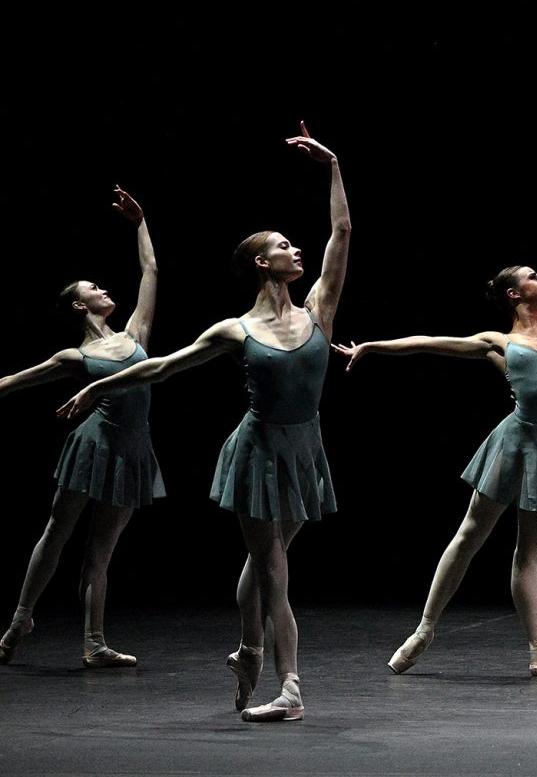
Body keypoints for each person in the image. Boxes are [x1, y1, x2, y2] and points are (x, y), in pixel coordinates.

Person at [58, 125, 351, 723]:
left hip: (304, 449)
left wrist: (333, 166)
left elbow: (342, 231)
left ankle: (248, 652)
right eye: (285, 245)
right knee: (274, 569)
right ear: (262, 263)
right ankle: (290, 687)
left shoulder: (319, 308)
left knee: (263, 562)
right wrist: (97, 384)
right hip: (258, 452)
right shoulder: (235, 330)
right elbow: (163, 366)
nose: (297, 250)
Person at [335, 164, 537, 676]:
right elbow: (431, 342)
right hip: (515, 443)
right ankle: (424, 628)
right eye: (534, 277)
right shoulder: (500, 342)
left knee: (529, 556)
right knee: (470, 534)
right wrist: (372, 346)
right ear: (515, 294)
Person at [1, 188, 160, 668]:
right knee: (58, 531)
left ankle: (94, 644)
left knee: (102, 551)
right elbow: (10, 382)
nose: (103, 289)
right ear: (78, 305)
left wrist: (140, 222)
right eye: (93, 287)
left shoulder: (135, 334)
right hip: (93, 446)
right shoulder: (75, 356)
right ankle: (20, 620)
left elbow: (150, 271)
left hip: (132, 451)